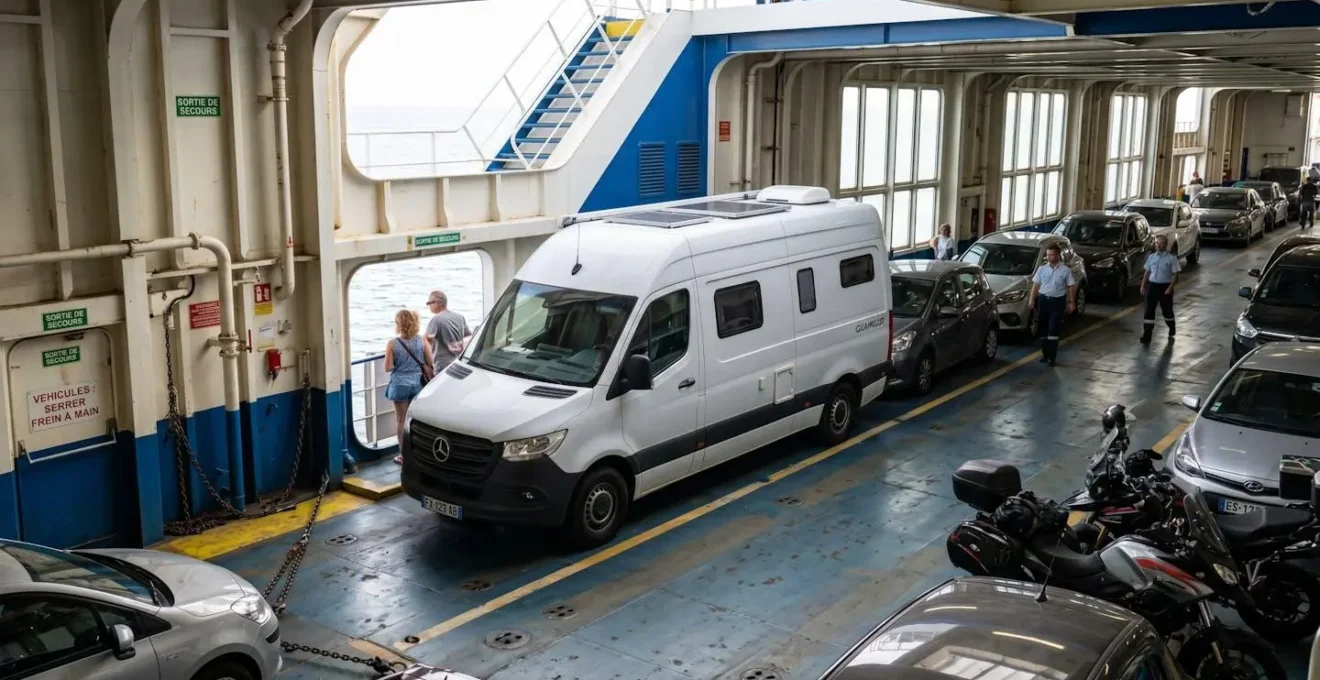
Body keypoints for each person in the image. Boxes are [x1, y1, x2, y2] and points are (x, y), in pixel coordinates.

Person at [385, 309, 432, 465]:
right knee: (414, 421)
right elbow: (430, 360)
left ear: (398, 324)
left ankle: (404, 456)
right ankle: (418, 452)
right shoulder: (421, 340)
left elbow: (388, 367)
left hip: (399, 385)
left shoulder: (393, 343)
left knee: (401, 421)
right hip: (417, 384)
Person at [1026, 244, 1077, 367]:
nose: (1049, 257)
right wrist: (1032, 300)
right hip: (1043, 301)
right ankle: (1045, 354)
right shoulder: (1042, 269)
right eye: (1048, 255)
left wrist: (1071, 302)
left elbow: (1070, 286)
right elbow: (1036, 286)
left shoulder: (1065, 270)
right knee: (1043, 329)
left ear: (1058, 255)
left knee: (1053, 329)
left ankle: (1052, 357)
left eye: (1052, 255)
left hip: (1057, 302)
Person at [1139, 235, 1180, 345]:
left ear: (1166, 245)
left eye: (1161, 243)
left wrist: (1170, 288)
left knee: (1167, 311)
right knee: (1148, 311)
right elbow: (1147, 272)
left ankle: (1171, 327)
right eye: (1157, 243)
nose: (1158, 245)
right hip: (1152, 286)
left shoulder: (1171, 258)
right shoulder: (1151, 257)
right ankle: (1147, 335)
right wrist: (1143, 285)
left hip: (1165, 287)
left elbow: (1176, 275)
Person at [424, 290, 472, 375]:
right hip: (458, 363)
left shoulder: (436, 320)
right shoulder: (459, 317)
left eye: (429, 303)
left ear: (437, 303)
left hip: (442, 365)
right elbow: (468, 334)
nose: (429, 306)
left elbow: (426, 340)